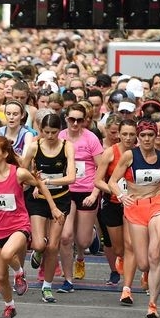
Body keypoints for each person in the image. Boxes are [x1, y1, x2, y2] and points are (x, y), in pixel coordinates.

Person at [0, 135, 60, 318]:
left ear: (5, 154)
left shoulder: (19, 173)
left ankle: (19, 272)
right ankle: (9, 306)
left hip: (19, 224)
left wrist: (53, 208)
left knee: (7, 254)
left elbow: (40, 184)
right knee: (1, 276)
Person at [108, 119, 160, 318]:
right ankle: (146, 274)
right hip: (135, 207)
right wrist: (121, 195)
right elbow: (112, 181)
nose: (147, 139)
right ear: (138, 137)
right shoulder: (129, 156)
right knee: (143, 263)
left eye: (151, 135)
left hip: (158, 204)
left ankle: (153, 305)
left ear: (156, 136)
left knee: (155, 255)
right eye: (143, 135)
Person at [20, 113, 71, 303]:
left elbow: (72, 177)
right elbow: (22, 173)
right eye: (46, 132)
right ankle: (37, 251)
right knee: (39, 244)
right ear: (41, 130)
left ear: (60, 131)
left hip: (61, 199)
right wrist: (34, 183)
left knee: (53, 246)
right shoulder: (34, 147)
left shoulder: (67, 147)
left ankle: (47, 287)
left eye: (54, 132)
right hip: (38, 199)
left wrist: (46, 181)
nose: (50, 136)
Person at [57, 104, 103, 292]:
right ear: (66, 119)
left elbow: (101, 168)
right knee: (66, 237)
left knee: (82, 241)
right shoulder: (60, 137)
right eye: (72, 119)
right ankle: (68, 280)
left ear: (85, 121)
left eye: (79, 120)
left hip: (87, 191)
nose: (75, 123)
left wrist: (94, 194)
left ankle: (86, 244)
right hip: (66, 191)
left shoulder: (91, 138)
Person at [94, 118, 140, 303]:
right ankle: (120, 258)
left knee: (130, 245)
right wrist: (117, 192)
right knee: (119, 248)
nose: (128, 138)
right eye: (125, 134)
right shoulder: (110, 153)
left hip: (133, 205)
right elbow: (98, 180)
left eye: (132, 134)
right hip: (113, 203)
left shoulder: (141, 153)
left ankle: (127, 288)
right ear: (118, 134)